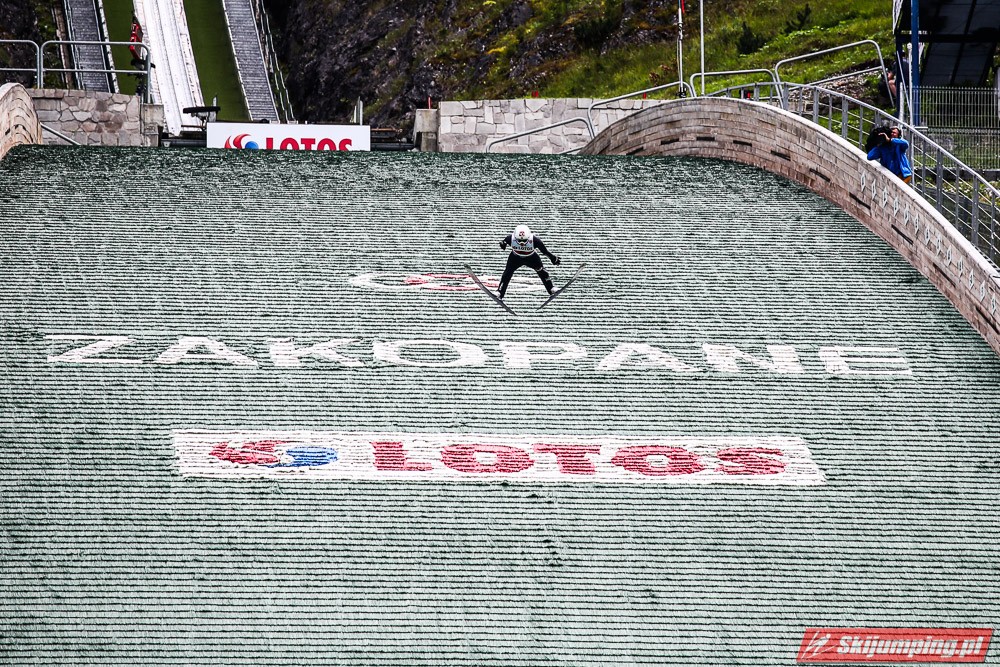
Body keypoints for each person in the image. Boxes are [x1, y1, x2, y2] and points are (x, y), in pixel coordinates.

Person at [497, 225, 561, 299]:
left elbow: (544, 251)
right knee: (507, 273)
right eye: (519, 240)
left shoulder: (535, 240)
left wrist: (553, 258)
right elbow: (504, 242)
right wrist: (503, 244)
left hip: (531, 258)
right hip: (515, 258)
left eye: (524, 240)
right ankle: (500, 292)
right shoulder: (510, 238)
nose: (522, 243)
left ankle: (551, 289)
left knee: (542, 271)